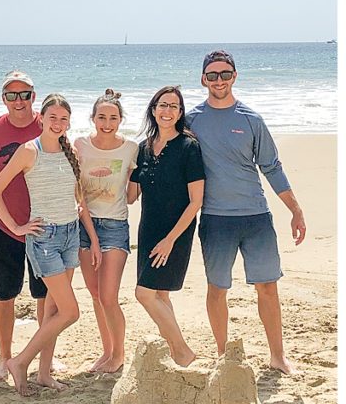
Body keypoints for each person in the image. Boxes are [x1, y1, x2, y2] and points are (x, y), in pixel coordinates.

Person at [185, 50, 306, 375]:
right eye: (212, 75)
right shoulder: (192, 120)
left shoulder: (251, 119)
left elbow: (272, 167)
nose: (219, 80)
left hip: (255, 217)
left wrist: (295, 209)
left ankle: (278, 356)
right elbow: (170, 159)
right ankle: (224, 355)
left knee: (267, 286)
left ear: (235, 76)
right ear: (203, 80)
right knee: (217, 288)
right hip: (214, 219)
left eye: (225, 74)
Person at [0, 94, 100, 396]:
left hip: (70, 236)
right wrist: (17, 227)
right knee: (70, 311)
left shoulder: (70, 150)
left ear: (68, 122)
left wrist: (93, 239)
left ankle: (44, 373)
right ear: (42, 119)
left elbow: (79, 199)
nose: (58, 123)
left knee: (52, 312)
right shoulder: (27, 151)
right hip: (45, 240)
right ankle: (20, 361)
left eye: (64, 119)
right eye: (53, 118)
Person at [0, 70, 62, 385]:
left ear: (33, 96)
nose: (18, 100)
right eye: (12, 95)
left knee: (46, 296)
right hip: (6, 227)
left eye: (24, 94)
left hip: (45, 227)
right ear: (3, 99)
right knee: (4, 296)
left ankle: (45, 356)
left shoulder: (47, 124)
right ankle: (5, 358)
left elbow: (66, 162)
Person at [128, 86, 205, 366]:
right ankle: (176, 353)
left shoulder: (188, 147)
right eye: (163, 105)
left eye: (174, 106)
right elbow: (130, 197)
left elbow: (196, 201)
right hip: (148, 229)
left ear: (180, 113)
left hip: (176, 232)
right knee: (160, 294)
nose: (167, 111)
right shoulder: (143, 148)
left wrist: (171, 239)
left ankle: (182, 351)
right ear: (153, 109)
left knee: (143, 293)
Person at [73, 89, 138, 373]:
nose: (107, 123)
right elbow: (78, 193)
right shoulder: (80, 145)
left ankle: (118, 355)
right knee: (96, 294)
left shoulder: (131, 148)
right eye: (101, 117)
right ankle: (106, 350)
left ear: (121, 119)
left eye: (113, 117)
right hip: (85, 225)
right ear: (93, 118)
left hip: (114, 226)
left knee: (109, 296)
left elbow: (132, 195)